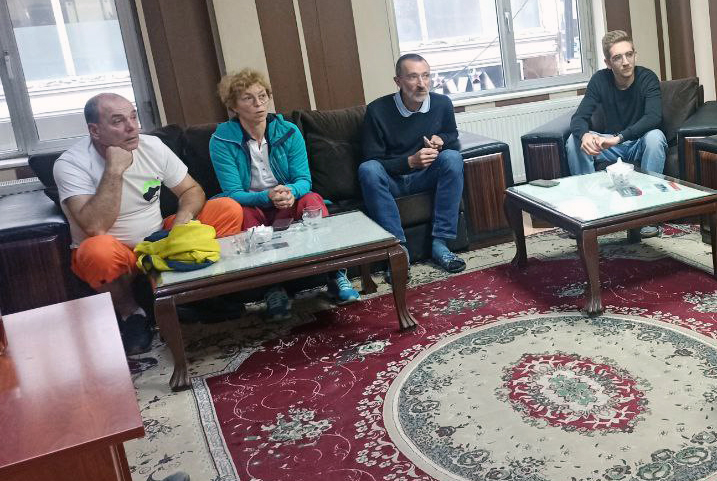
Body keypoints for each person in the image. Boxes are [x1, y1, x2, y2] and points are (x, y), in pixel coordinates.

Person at [53, 93, 243, 355]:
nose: (132, 127)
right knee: (96, 250)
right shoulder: (71, 164)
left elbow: (191, 190)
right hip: (117, 251)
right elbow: (95, 226)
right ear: (95, 131)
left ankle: (195, 296)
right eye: (118, 121)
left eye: (133, 117)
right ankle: (133, 315)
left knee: (227, 209)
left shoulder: (152, 146)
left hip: (159, 240)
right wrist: (114, 170)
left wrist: (182, 221)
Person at [209, 69, 359, 320]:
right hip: (253, 205)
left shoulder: (288, 131)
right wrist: (266, 196)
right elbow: (233, 193)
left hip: (287, 200)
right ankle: (272, 289)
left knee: (312, 200)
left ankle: (335, 275)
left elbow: (304, 180)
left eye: (262, 96)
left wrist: (291, 192)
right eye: (248, 98)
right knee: (240, 212)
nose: (259, 104)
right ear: (233, 106)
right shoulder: (221, 140)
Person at [358, 54, 466, 273]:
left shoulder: (442, 104)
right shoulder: (377, 110)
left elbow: (451, 133)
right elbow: (372, 158)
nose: (421, 83)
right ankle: (398, 251)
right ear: (398, 81)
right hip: (393, 180)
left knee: (452, 158)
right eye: (413, 77)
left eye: (426, 76)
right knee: (367, 170)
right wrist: (409, 162)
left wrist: (441, 139)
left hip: (425, 176)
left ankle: (440, 244)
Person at [566, 30, 666, 237]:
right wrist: (585, 136)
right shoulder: (600, 80)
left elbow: (654, 117)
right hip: (610, 145)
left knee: (656, 137)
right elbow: (579, 117)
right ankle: (588, 214)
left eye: (629, 54)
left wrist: (619, 138)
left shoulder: (647, 78)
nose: (626, 62)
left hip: (638, 142)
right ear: (608, 63)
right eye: (618, 57)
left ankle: (648, 215)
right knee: (573, 141)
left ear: (635, 55)